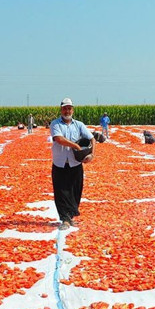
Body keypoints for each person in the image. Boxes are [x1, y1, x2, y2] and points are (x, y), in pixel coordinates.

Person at [50, 98, 94, 230]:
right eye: (65, 108)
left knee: (75, 191)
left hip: (75, 163)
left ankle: (70, 216)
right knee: (61, 191)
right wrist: (75, 145)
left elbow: (92, 138)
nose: (67, 111)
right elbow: (59, 139)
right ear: (61, 109)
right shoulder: (55, 124)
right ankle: (65, 219)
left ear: (72, 110)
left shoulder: (79, 125)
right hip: (60, 163)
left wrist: (92, 154)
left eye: (69, 108)